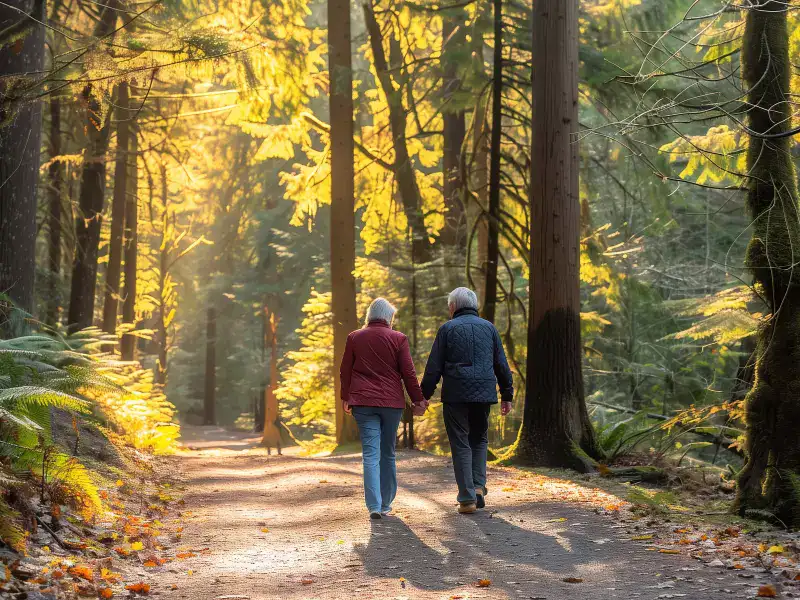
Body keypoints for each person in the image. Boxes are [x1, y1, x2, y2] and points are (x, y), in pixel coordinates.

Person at [421, 287, 513, 514]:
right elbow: (501, 364)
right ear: (475, 305)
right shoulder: (489, 328)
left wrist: (423, 396)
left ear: (453, 307)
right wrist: (506, 395)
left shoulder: (447, 329)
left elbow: (434, 367)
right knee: (479, 440)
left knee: (460, 442)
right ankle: (479, 486)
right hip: (483, 392)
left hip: (456, 394)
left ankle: (467, 498)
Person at [340, 298, 428, 520]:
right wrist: (418, 400)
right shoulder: (398, 339)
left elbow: (345, 371)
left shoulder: (354, 337)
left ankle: (374, 506)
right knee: (387, 453)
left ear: (369, 315)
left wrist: (345, 397)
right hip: (391, 403)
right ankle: (386, 503)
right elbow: (408, 373)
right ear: (389, 318)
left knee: (370, 454)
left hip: (362, 402)